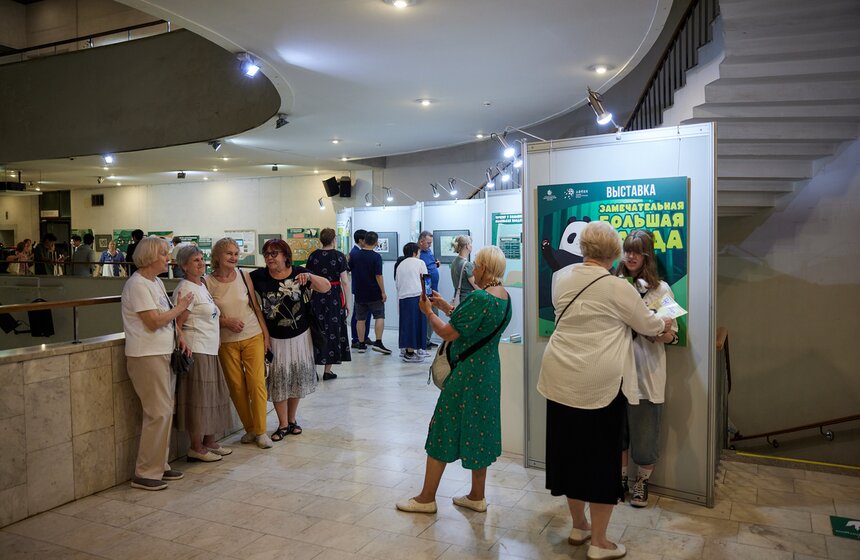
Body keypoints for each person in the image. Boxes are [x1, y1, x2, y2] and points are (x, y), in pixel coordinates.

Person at [537, 221, 671, 560]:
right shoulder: (617, 287)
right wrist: (664, 324)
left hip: (558, 378)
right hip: (599, 385)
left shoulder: (560, 278)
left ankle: (578, 526)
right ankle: (600, 542)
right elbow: (648, 324)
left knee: (569, 456)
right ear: (613, 254)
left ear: (582, 248)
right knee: (599, 461)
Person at [396, 246, 511, 514]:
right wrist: (446, 306)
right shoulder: (503, 297)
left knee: (442, 427)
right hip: (488, 373)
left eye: (477, 265)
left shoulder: (480, 298)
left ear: (484, 268)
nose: (473, 269)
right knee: (480, 429)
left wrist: (428, 312)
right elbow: (471, 325)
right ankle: (476, 495)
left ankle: (426, 498)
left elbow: (448, 333)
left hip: (466, 375)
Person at [121, 236, 193, 490]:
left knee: (165, 410)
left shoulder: (156, 282)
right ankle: (145, 472)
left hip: (163, 352)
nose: (168, 258)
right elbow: (153, 321)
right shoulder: (137, 285)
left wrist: (180, 336)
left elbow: (167, 319)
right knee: (158, 412)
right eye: (164, 254)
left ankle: (159, 465)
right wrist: (181, 307)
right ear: (151, 256)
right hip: (146, 355)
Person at [614, 230, 678, 508]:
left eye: (636, 251)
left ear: (647, 255)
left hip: (647, 371)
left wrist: (657, 332)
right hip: (615, 371)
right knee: (618, 433)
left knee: (645, 433)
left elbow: (672, 333)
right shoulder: (614, 285)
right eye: (627, 250)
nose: (630, 256)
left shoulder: (661, 290)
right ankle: (619, 480)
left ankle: (641, 484)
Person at [251, 239, 330, 440]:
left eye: (274, 253)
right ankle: (283, 424)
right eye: (266, 254)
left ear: (286, 256)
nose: (269, 258)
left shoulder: (299, 274)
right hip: (275, 337)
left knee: (296, 377)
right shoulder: (257, 277)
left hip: (301, 336)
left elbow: (326, 286)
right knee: (279, 379)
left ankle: (292, 419)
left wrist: (310, 275)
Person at [207, 237, 273, 449]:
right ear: (217, 256)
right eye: (229, 253)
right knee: (236, 387)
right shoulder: (207, 282)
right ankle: (250, 428)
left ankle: (262, 431)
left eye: (236, 253)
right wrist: (225, 322)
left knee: (256, 383)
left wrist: (265, 334)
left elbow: (254, 305)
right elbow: (206, 314)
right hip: (226, 341)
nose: (234, 257)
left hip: (252, 335)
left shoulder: (244, 276)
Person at [173, 245, 233, 462]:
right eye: (195, 260)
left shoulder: (202, 286)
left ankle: (210, 441)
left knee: (212, 397)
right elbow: (178, 324)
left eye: (201, 259)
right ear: (184, 266)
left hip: (210, 349)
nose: (201, 263)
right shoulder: (185, 288)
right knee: (198, 398)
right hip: (196, 349)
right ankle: (196, 446)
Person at [306, 227, 351, 380]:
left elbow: (308, 280)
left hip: (317, 295)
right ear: (334, 240)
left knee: (316, 330)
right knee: (332, 330)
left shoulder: (313, 256)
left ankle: (313, 370)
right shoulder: (339, 256)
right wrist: (348, 303)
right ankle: (327, 371)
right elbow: (345, 281)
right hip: (334, 297)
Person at [350, 231, 391, 354]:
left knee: (360, 318)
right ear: (375, 242)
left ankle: (361, 344)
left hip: (359, 292)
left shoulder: (355, 255)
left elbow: (350, 268)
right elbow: (378, 275)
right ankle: (378, 342)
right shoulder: (376, 257)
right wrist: (383, 292)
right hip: (374, 292)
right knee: (379, 316)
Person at [394, 242, 428, 363]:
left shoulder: (400, 265)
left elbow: (397, 283)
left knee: (407, 324)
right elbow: (425, 280)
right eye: (418, 252)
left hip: (404, 297)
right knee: (419, 323)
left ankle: (408, 351)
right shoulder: (420, 263)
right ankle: (417, 350)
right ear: (415, 252)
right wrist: (428, 296)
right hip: (417, 296)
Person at [417, 230, 441, 349]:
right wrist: (427, 293)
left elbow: (430, 264)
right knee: (431, 315)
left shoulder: (428, 251)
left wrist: (436, 264)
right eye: (428, 243)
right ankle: (423, 341)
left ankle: (427, 339)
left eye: (430, 243)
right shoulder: (417, 253)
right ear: (421, 242)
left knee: (433, 316)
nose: (429, 245)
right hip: (427, 291)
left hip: (433, 290)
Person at [348, 229, 370, 348]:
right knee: (358, 315)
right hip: (360, 288)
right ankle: (356, 339)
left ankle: (364, 337)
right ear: (361, 240)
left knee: (365, 314)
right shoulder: (355, 253)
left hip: (363, 288)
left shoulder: (358, 252)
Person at [450, 235, 478, 306]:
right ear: (467, 246)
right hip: (467, 300)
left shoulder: (454, 262)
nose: (471, 246)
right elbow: (476, 287)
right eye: (470, 244)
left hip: (457, 298)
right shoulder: (468, 265)